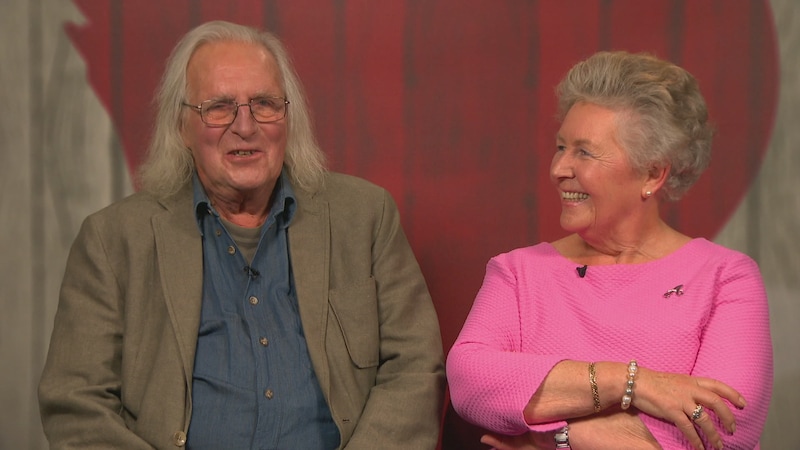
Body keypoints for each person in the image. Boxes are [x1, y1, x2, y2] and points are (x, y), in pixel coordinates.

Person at [38, 20, 445, 450]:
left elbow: (415, 367)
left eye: (265, 104)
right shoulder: (113, 241)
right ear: (182, 127)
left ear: (288, 117)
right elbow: (76, 403)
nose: (246, 126)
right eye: (219, 107)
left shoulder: (365, 217)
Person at [446, 51, 773, 450]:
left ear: (652, 173)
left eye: (584, 152)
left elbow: (722, 429)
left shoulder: (726, 277)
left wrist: (557, 437)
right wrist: (632, 383)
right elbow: (470, 382)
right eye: (561, 147)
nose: (559, 169)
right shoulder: (516, 272)